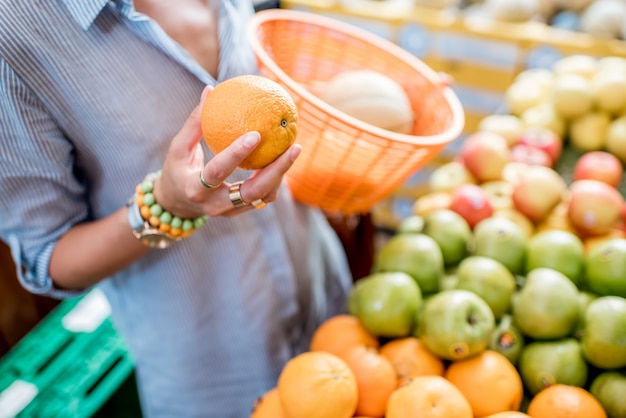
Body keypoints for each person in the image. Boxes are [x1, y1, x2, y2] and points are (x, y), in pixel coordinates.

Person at [0, 1, 354, 416]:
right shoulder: (15, 33)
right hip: (213, 367)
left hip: (327, 306)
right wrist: (166, 206)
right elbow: (47, 258)